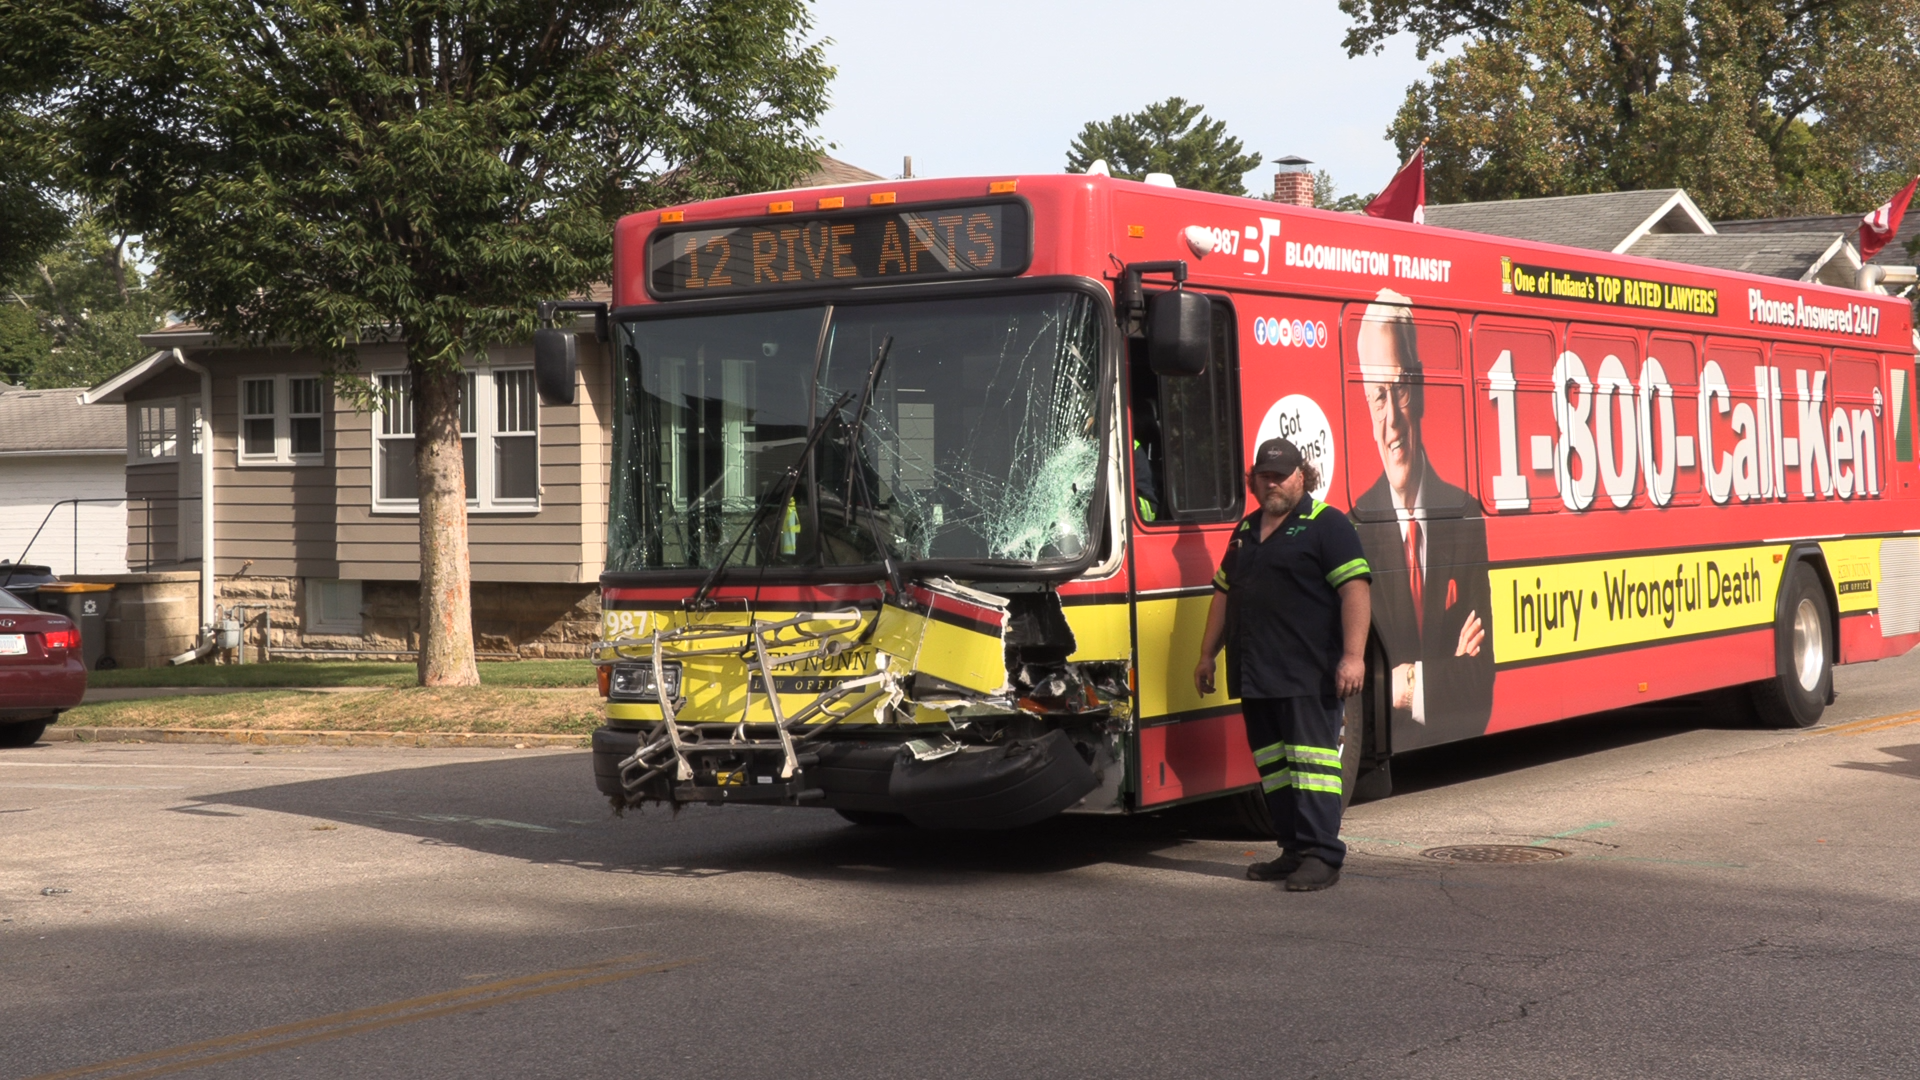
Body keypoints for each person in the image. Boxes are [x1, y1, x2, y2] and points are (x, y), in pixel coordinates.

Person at [1195, 438, 1371, 891]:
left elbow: (1355, 590)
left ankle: (1322, 855)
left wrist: (1353, 657)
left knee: (1313, 766)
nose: (1272, 483)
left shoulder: (1327, 524)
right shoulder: (1245, 530)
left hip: (1307, 672)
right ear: (1253, 481)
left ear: (1301, 476)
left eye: (1281, 474)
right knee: (1275, 768)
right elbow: (1224, 594)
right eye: (1264, 476)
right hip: (1256, 673)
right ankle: (1293, 849)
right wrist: (1205, 654)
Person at [1351, 290, 1494, 747]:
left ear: (1423, 387)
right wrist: (1439, 673)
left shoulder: (1465, 517)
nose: (1391, 419)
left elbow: (1478, 692)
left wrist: (1401, 685)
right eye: (1377, 397)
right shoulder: (1352, 529)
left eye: (1401, 389)